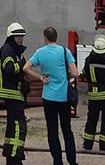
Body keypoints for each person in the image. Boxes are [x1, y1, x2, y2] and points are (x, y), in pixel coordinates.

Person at [29, 27, 80, 165]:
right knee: (67, 130)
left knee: (52, 131)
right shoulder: (65, 51)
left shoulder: (40, 52)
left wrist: (40, 77)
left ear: (45, 38)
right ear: (56, 37)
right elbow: (75, 73)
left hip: (48, 97)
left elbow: (26, 68)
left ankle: (57, 161)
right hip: (64, 97)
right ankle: (72, 161)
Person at [0, 22, 32, 165]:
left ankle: (11, 157)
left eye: (21, 36)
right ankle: (15, 158)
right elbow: (9, 69)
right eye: (17, 36)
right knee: (18, 126)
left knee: (13, 126)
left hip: (16, 93)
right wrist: (22, 64)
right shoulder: (7, 49)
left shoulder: (16, 51)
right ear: (11, 37)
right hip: (11, 92)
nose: (20, 39)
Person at [81, 35, 105, 152]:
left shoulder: (88, 61)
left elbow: (85, 74)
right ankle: (103, 147)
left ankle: (88, 145)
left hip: (94, 96)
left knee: (91, 120)